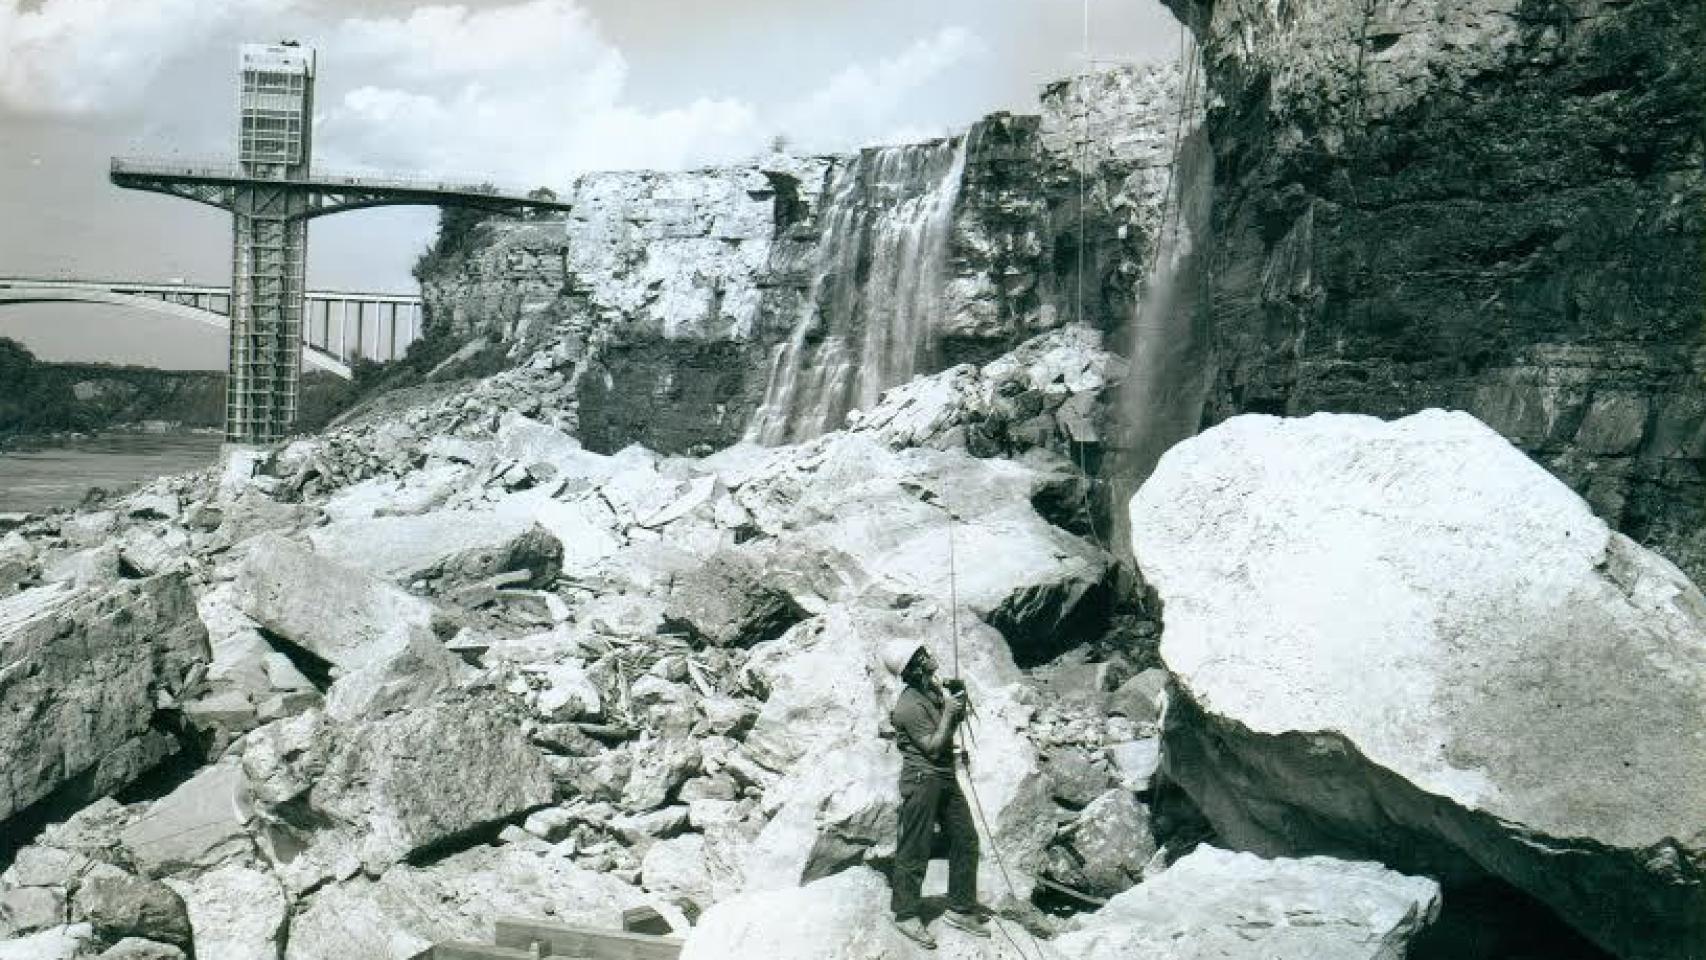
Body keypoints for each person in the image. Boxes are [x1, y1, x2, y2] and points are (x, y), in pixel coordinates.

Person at [882, 640, 989, 949]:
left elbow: (955, 721)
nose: (930, 656)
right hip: (922, 779)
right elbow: (931, 746)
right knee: (916, 845)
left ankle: (960, 907)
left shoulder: (931, 691)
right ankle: (904, 914)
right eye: (922, 656)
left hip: (942, 776)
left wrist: (959, 698)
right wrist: (949, 714)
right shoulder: (908, 706)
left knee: (966, 839)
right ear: (914, 668)